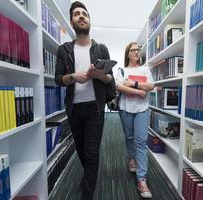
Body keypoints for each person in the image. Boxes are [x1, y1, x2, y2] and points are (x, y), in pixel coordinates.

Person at [55, 1, 114, 199]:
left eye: (85, 14)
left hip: (95, 108)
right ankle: (88, 178)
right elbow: (58, 79)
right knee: (81, 150)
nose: (81, 16)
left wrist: (99, 75)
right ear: (72, 21)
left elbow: (110, 79)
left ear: (89, 20)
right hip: (74, 109)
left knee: (91, 153)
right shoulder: (64, 50)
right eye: (77, 14)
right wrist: (73, 76)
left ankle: (87, 193)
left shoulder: (101, 48)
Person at [115, 42, 155, 198]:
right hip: (125, 108)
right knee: (129, 137)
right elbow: (119, 87)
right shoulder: (122, 70)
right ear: (127, 54)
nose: (136, 52)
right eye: (133, 50)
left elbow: (151, 86)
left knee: (141, 142)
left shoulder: (145, 69)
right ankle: (131, 158)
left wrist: (134, 83)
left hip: (142, 110)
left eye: (138, 50)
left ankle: (142, 180)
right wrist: (139, 91)